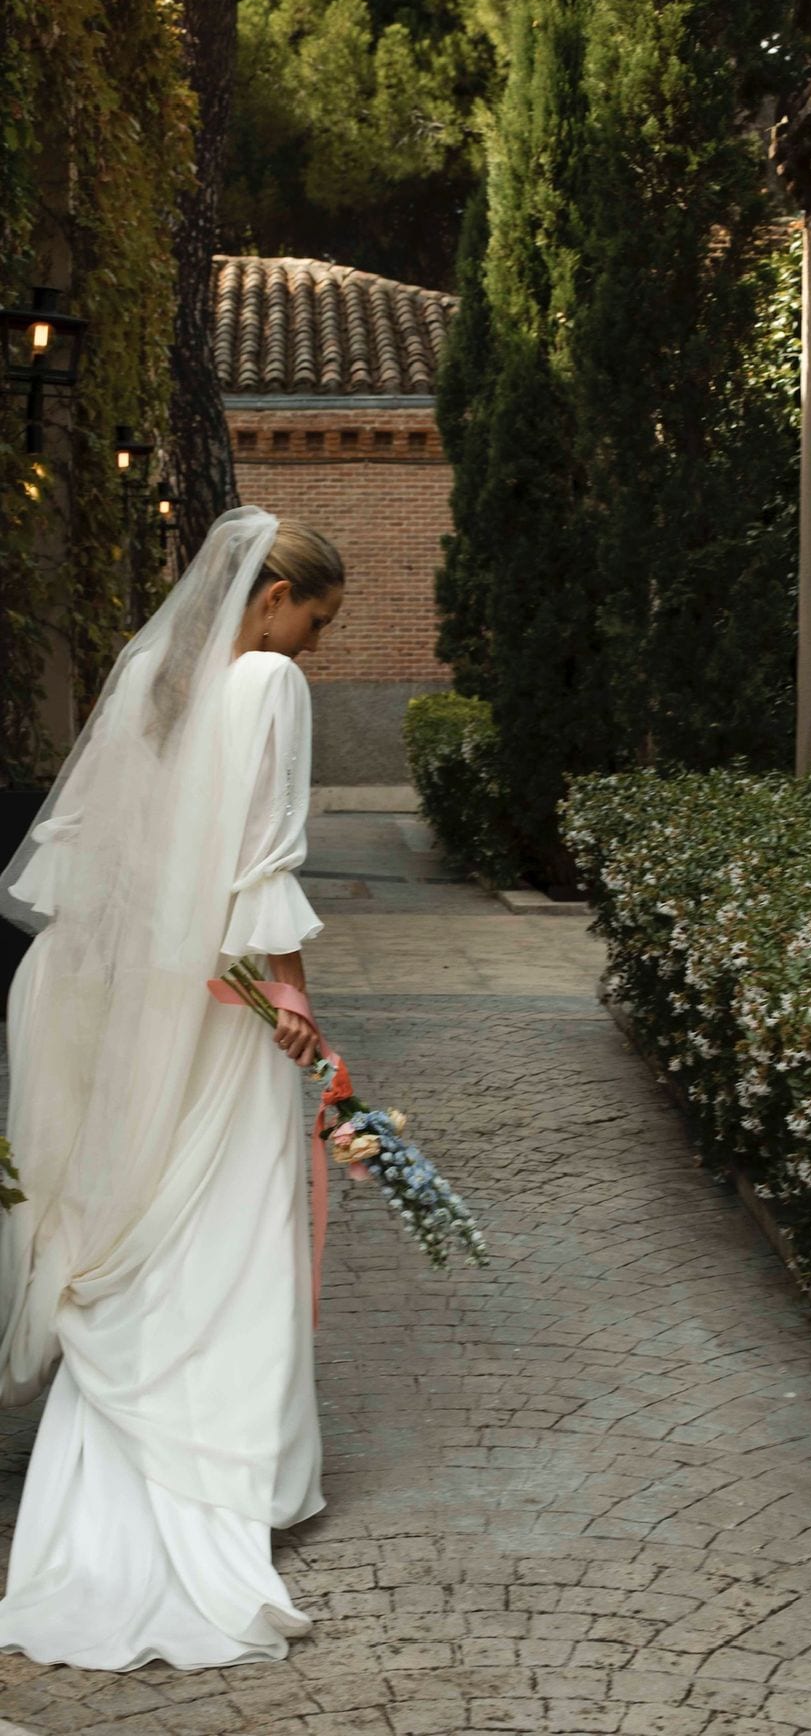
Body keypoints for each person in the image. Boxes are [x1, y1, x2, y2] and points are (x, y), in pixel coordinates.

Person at [0, 507, 344, 1668]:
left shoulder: (153, 671)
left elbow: (92, 850)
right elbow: (264, 857)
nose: (314, 651)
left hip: (136, 991)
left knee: (144, 1196)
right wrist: (290, 995)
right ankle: (229, 1466)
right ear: (273, 598)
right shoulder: (271, 690)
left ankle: (117, 1433)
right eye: (315, 625)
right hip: (228, 995)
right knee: (235, 1215)